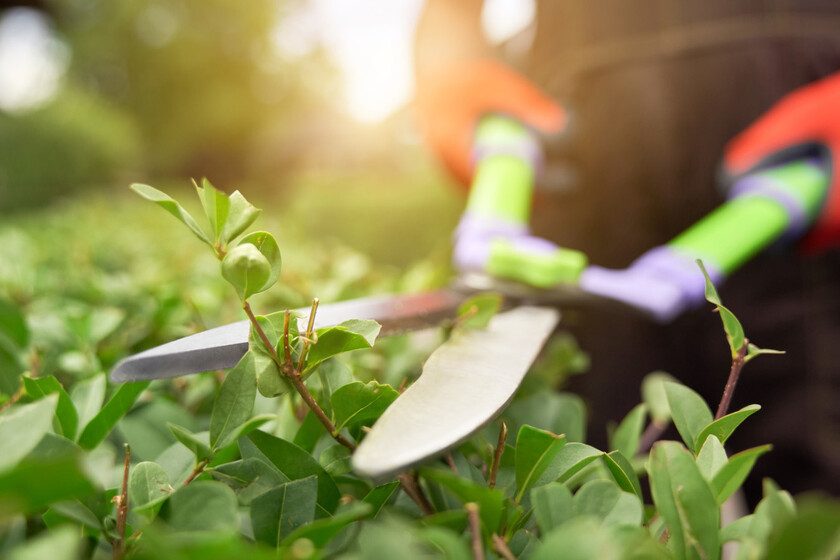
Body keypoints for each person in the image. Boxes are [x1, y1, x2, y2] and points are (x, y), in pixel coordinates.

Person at [413, 0, 840, 504]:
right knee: (594, 491)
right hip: (585, 145)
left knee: (818, 506)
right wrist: (453, 65)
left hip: (798, 113)